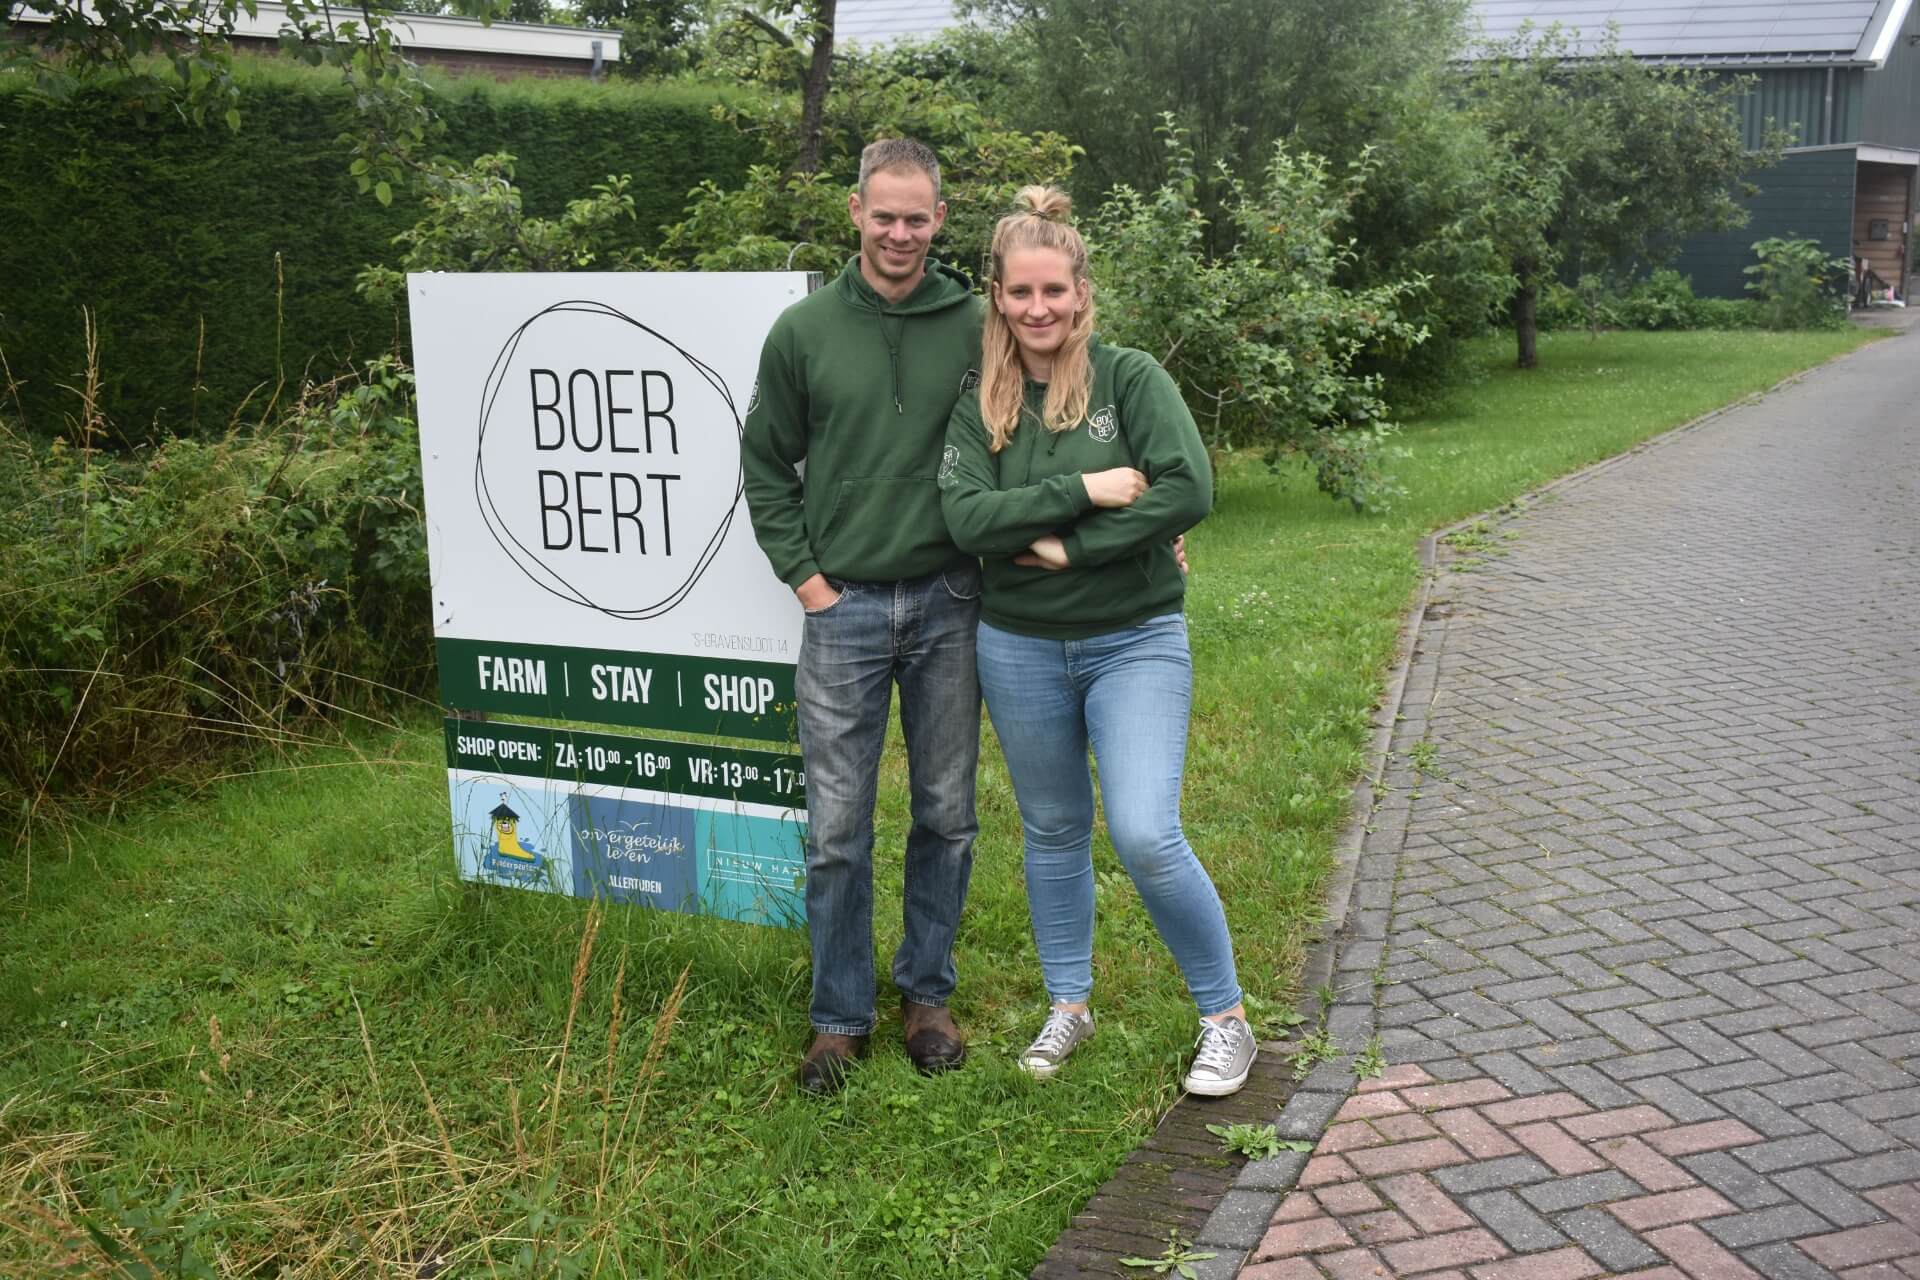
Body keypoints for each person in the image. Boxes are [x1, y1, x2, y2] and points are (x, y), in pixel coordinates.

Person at [937, 186, 1255, 1097]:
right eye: (1019, 292)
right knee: (1052, 828)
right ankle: (1069, 1005)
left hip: (1134, 640)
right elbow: (964, 514)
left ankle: (1224, 1017)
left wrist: (1061, 549)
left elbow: (1186, 490)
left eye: (1054, 291)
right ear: (996, 297)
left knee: (1148, 833)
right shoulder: (982, 405)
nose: (1038, 310)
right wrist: (1084, 494)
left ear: (1082, 292)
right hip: (1019, 646)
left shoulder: (1130, 379)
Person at [742, 138, 985, 1096]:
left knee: (947, 813)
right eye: (883, 215)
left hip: (949, 600)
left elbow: (1048, 419)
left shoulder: (976, 324)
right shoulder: (802, 332)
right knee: (837, 827)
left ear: (939, 220)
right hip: (839, 607)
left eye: (916, 217)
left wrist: (1147, 518)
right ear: (854, 212)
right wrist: (807, 580)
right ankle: (839, 1018)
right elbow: (765, 462)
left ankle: (926, 994)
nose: (898, 233)